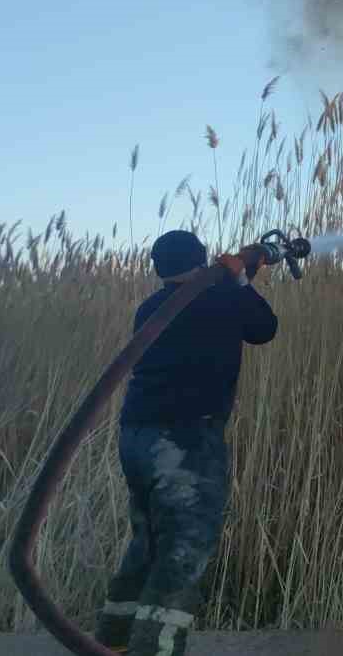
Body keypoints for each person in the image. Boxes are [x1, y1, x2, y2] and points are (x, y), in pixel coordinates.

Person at [95, 230, 278, 656]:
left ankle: (111, 643)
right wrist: (239, 280)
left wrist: (235, 276)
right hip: (184, 442)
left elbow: (210, 317)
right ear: (202, 260)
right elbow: (264, 328)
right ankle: (155, 650)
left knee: (148, 542)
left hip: (137, 437)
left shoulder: (152, 307)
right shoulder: (218, 300)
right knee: (184, 550)